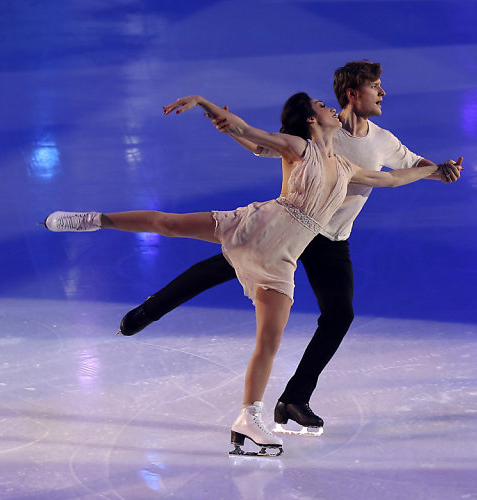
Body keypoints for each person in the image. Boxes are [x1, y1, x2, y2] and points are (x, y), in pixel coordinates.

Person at [44, 92, 452, 457]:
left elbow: (394, 178)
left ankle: (249, 418)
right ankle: (92, 219)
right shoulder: (298, 146)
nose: (329, 108)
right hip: (255, 226)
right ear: (312, 120)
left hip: (282, 261)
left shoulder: (345, 166)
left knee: (267, 343)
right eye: (321, 106)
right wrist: (202, 103)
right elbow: (248, 132)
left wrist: (435, 171)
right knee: (167, 224)